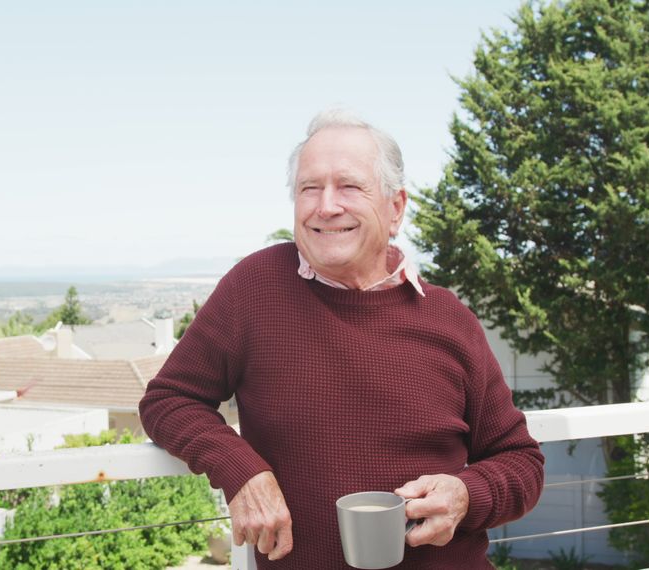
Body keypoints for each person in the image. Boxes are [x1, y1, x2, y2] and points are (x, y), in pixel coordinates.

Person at [139, 109, 544, 568]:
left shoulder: (448, 318)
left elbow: (521, 462)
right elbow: (169, 400)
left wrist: (466, 495)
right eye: (309, 188)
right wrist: (242, 470)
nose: (326, 206)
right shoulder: (254, 288)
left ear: (395, 208)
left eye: (349, 186)